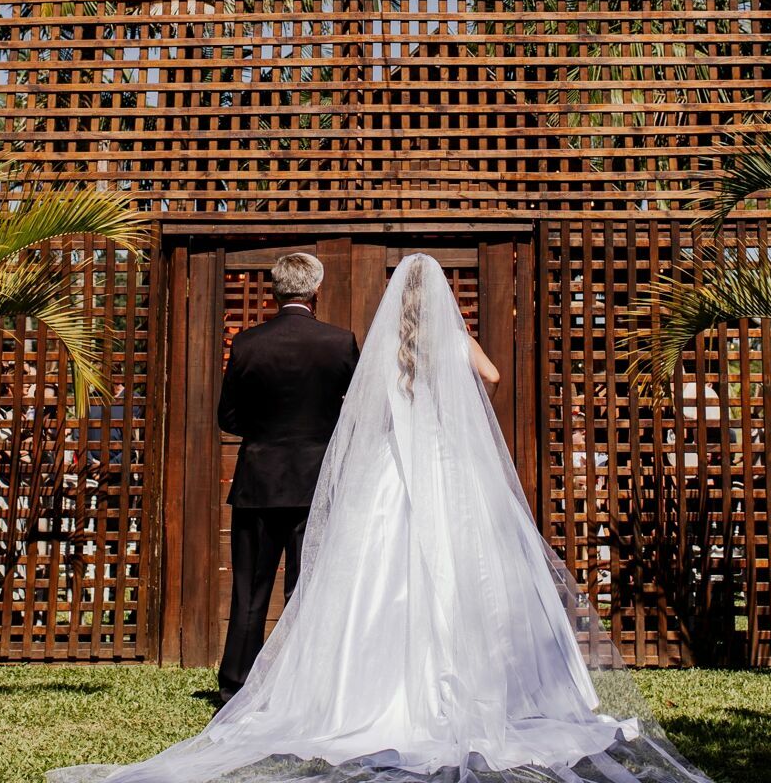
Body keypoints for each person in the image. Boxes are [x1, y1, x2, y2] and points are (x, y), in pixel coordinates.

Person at [50, 253, 714, 783]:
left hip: (337, 477)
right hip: (443, 474)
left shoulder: (355, 351)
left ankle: (268, 688)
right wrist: (457, 342)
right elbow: (489, 380)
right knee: (431, 579)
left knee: (336, 590)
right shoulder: (402, 345)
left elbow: (332, 413)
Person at [214, 251, 360, 701]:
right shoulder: (340, 342)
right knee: (306, 587)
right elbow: (357, 411)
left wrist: (264, 433)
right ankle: (302, 686)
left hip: (259, 482)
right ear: (316, 289)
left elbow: (228, 417)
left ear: (274, 290)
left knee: (250, 592)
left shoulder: (247, 343)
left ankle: (236, 684)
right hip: (314, 483)